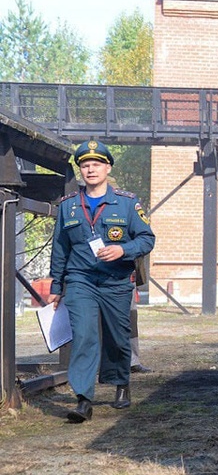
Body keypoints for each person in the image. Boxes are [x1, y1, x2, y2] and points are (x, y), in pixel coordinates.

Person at [49, 140, 156, 423]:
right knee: (83, 336)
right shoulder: (68, 207)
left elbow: (147, 238)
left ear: (107, 167)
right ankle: (84, 398)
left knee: (118, 336)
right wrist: (56, 287)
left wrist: (123, 249)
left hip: (116, 280)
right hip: (81, 279)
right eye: (85, 165)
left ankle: (121, 383)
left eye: (96, 164)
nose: (90, 169)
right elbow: (60, 248)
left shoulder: (127, 202)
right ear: (80, 171)